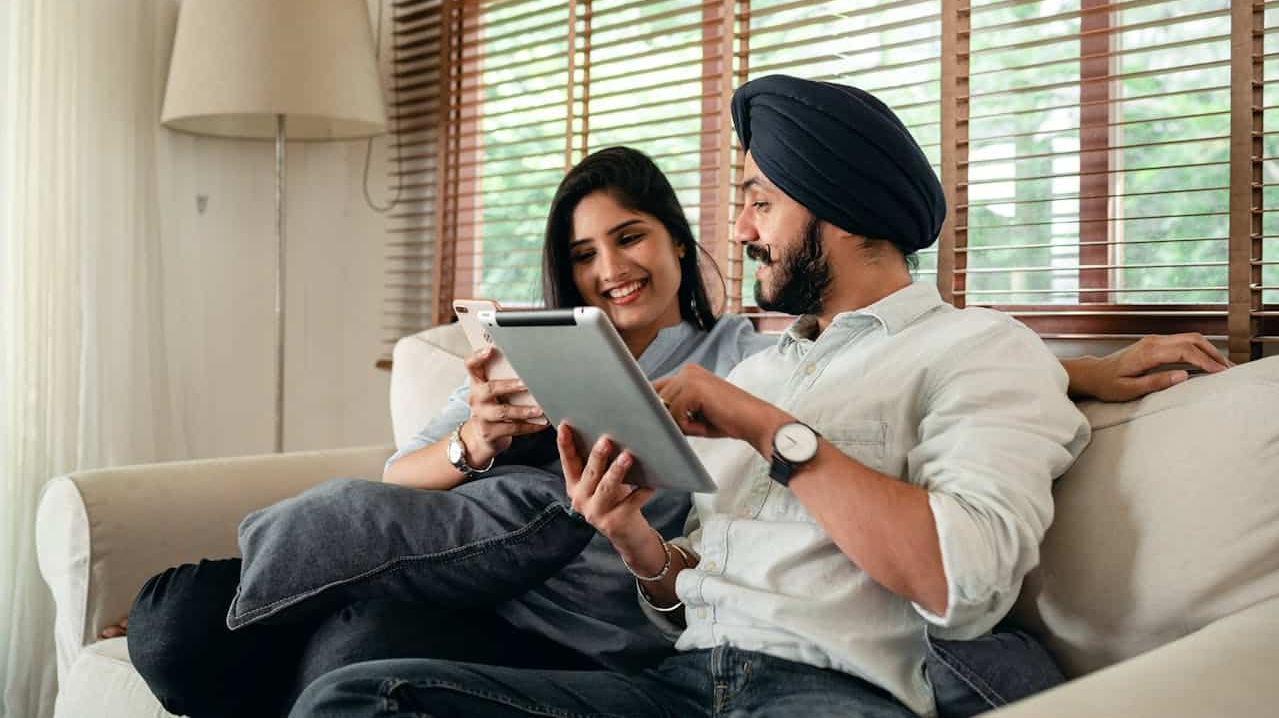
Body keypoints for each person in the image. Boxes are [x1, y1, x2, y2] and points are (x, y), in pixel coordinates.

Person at [120, 143, 1229, 717]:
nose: (611, 268)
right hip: (487, 588)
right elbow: (396, 475)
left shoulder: (750, 355)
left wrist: (1086, 368)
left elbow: (896, 361)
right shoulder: (542, 352)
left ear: (674, 240)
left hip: (608, 635)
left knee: (338, 655)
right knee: (185, 623)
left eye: (631, 237)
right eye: (585, 255)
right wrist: (474, 441)